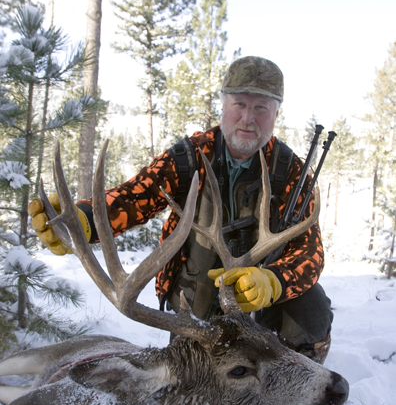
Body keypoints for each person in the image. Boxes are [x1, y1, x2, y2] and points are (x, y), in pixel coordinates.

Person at [29, 56, 332, 363]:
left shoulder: (291, 171)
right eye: (240, 104)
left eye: (261, 108)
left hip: (261, 311)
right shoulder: (189, 156)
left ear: (276, 114)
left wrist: (273, 282)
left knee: (312, 307)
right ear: (224, 106)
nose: (248, 118)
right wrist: (86, 220)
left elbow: (312, 253)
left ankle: (299, 377)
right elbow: (136, 196)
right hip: (195, 306)